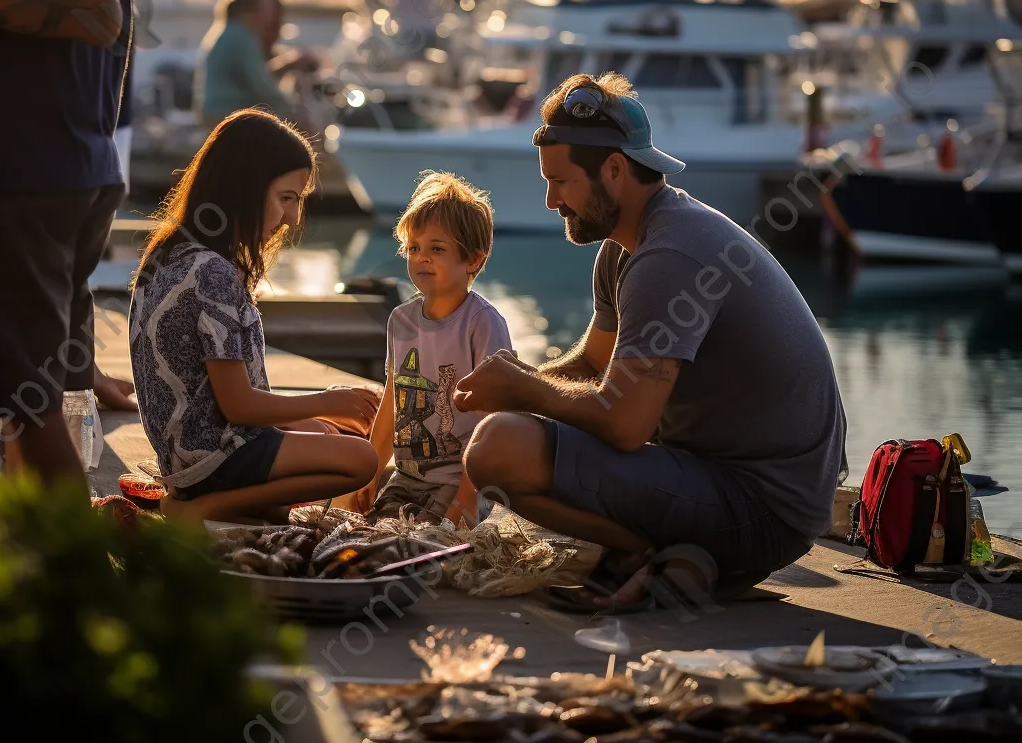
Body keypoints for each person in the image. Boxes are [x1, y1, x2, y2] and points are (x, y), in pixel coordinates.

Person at [456, 72, 848, 610]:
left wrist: (521, 393)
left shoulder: (669, 258)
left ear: (614, 170)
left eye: (561, 181)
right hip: (718, 476)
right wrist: (513, 381)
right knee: (506, 430)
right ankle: (673, 557)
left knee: (501, 448)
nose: (551, 201)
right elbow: (593, 365)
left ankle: (642, 553)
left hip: (764, 509)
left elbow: (624, 424)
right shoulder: (626, 248)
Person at [129, 109, 379, 523]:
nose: (294, 218)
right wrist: (331, 400)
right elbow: (240, 405)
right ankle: (204, 509)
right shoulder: (213, 273)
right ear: (244, 187)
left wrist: (316, 416)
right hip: (213, 456)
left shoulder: (167, 256)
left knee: (323, 433)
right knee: (360, 458)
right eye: (287, 198)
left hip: (185, 453)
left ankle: (249, 501)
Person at [0, 0, 133, 487]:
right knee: (30, 395)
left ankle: (74, 589)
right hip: (72, 165)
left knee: (30, 402)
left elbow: (99, 12)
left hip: (28, 176)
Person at [350, 171, 512, 524]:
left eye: (437, 249)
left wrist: (466, 500)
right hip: (408, 476)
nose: (421, 258)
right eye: (414, 248)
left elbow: (495, 422)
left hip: (459, 481)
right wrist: (370, 471)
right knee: (374, 533)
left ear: (473, 260)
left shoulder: (482, 323)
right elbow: (395, 398)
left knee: (426, 547)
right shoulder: (400, 320)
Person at [193, 0, 293, 124]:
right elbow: (262, 87)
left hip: (215, 111)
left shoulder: (228, 32)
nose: (267, 18)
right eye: (265, 11)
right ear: (252, 10)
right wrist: (289, 108)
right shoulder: (241, 38)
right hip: (227, 114)